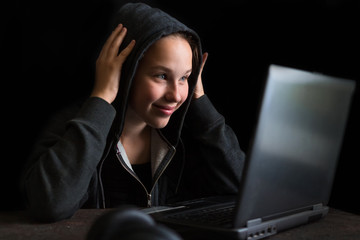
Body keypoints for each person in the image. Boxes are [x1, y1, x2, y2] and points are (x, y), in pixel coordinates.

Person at [21, 2, 245, 222]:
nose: (176, 96)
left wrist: (201, 102)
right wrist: (101, 98)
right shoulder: (74, 125)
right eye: (162, 76)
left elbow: (244, 190)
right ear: (126, 70)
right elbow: (49, 205)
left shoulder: (188, 133)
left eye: (185, 77)